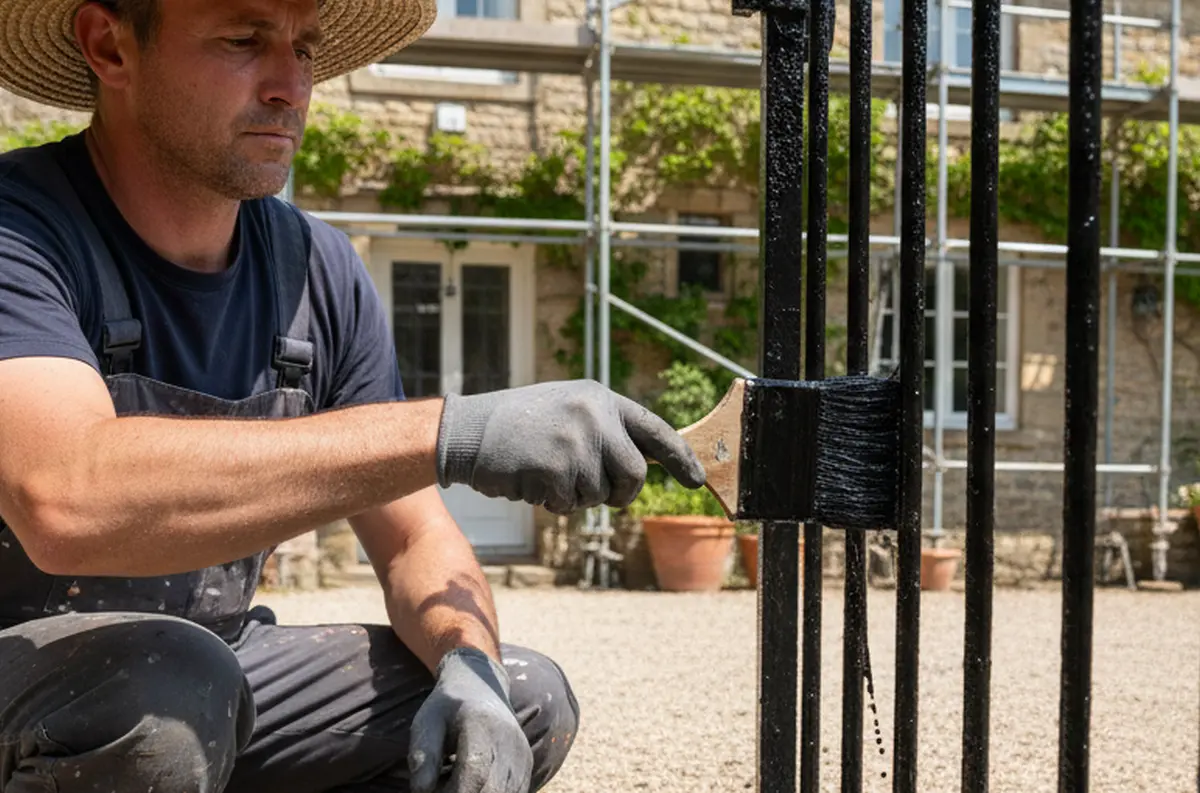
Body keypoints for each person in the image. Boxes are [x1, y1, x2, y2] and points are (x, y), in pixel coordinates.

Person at [0, 1, 707, 792]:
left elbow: (412, 539)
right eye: (244, 40)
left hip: (207, 674)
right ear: (109, 46)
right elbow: (66, 497)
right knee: (165, 692)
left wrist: (466, 663)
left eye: (304, 49)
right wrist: (455, 431)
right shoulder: (20, 231)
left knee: (521, 698)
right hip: (32, 674)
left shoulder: (316, 270)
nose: (290, 86)